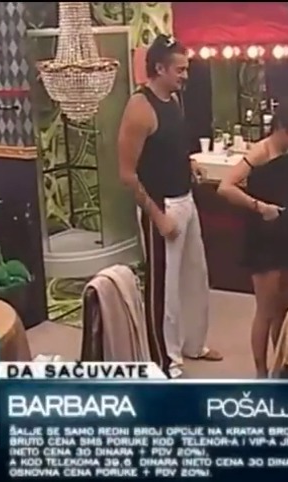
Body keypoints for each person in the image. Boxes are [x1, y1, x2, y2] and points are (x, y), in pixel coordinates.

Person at [117, 34, 223, 379]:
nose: (185, 75)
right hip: (161, 206)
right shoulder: (139, 108)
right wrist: (158, 217)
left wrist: (189, 164)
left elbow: (169, 146)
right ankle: (165, 360)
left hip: (186, 199)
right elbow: (127, 174)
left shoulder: (174, 100)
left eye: (186, 69)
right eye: (180, 69)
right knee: (165, 289)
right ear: (160, 68)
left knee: (196, 277)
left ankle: (194, 344)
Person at [216, 97, 288, 378]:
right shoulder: (261, 152)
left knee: (284, 306)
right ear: (282, 128)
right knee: (266, 310)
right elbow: (225, 186)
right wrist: (260, 207)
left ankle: (280, 366)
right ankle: (261, 372)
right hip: (265, 237)